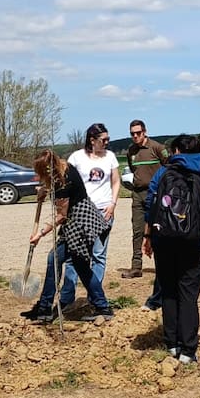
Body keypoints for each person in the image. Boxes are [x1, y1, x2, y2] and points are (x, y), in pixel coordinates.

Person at [143, 134, 200, 364]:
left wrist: (147, 236)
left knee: (168, 290)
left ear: (177, 151)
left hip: (164, 240)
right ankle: (188, 350)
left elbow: (151, 205)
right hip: (196, 243)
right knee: (188, 294)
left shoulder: (163, 172)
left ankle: (171, 344)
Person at [21, 149, 115, 322]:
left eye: (40, 172)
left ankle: (103, 308)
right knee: (57, 260)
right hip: (74, 221)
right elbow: (54, 187)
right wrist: (44, 190)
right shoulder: (65, 167)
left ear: (47, 170)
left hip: (80, 224)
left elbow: (61, 215)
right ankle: (44, 308)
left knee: (77, 265)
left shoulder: (64, 182)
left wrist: (40, 234)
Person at [61, 123, 120, 311]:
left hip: (104, 211)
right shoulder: (77, 158)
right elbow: (66, 182)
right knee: (74, 256)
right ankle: (66, 298)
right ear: (92, 140)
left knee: (98, 255)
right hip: (81, 212)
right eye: (104, 140)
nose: (107, 143)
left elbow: (116, 181)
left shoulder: (110, 157)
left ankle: (94, 298)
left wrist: (113, 203)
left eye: (108, 139)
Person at [123, 119, 168, 279]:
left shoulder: (157, 148)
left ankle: (163, 266)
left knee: (157, 230)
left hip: (155, 194)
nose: (135, 136)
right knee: (137, 231)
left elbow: (169, 166)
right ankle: (136, 267)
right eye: (132, 134)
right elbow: (134, 169)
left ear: (145, 132)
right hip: (137, 194)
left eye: (138, 133)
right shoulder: (131, 151)